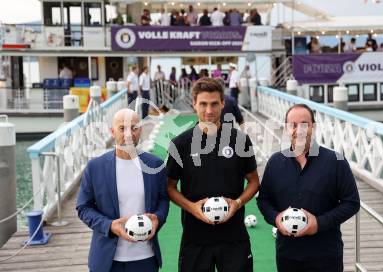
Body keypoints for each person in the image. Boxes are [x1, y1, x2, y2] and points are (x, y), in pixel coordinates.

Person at [166, 77, 259, 272]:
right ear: (194, 104)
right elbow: (170, 186)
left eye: (214, 104)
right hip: (195, 238)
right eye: (203, 104)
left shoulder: (240, 140)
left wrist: (237, 203)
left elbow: (253, 182)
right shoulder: (180, 144)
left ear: (223, 103)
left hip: (234, 237)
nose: (209, 110)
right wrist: (192, 207)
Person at [257, 104, 360, 272]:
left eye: (305, 124)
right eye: (293, 125)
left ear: (314, 126)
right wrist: (276, 218)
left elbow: (352, 203)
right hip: (287, 255)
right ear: (286, 129)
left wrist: (318, 224)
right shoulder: (275, 162)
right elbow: (264, 200)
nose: (299, 130)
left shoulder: (336, 161)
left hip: (326, 254)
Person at [76, 108, 169, 272]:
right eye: (122, 128)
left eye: (134, 128)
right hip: (107, 261)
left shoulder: (155, 165)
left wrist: (158, 219)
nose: (128, 134)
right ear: (112, 131)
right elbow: (83, 208)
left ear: (140, 130)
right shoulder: (95, 167)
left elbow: (163, 200)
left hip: (145, 257)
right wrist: (110, 225)